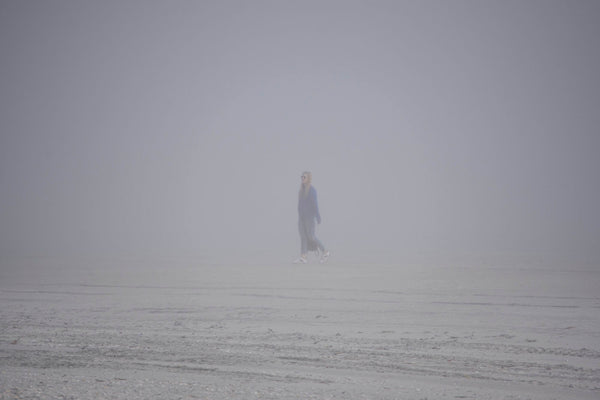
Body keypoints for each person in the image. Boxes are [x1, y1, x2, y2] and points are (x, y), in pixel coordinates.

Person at [294, 171, 330, 264]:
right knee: (303, 237)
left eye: (304, 177)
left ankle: (325, 252)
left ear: (309, 178)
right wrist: (299, 215)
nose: (302, 178)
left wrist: (318, 217)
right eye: (301, 177)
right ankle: (303, 257)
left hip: (310, 218)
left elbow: (315, 204)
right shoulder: (301, 191)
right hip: (301, 218)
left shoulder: (312, 190)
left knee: (311, 236)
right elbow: (300, 205)